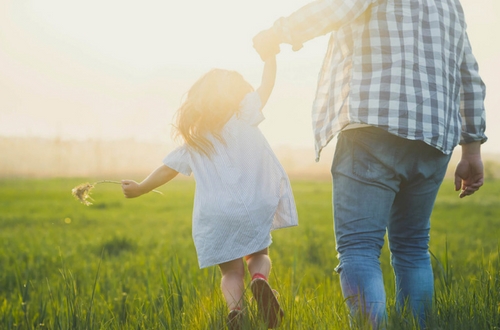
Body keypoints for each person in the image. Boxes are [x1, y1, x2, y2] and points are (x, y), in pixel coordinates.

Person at [253, 0, 486, 328]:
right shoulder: (449, 4)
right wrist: (472, 149)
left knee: (359, 247)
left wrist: (277, 33)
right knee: (413, 247)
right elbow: (469, 75)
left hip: (373, 127)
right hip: (435, 137)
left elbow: (334, 9)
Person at [121, 56, 298, 329]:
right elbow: (267, 84)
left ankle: (236, 309)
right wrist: (271, 56)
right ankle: (260, 281)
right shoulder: (245, 115)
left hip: (218, 214)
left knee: (230, 271)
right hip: (254, 204)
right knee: (258, 255)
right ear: (237, 94)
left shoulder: (196, 140)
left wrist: (141, 188)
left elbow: (168, 169)